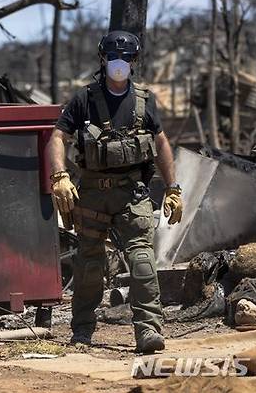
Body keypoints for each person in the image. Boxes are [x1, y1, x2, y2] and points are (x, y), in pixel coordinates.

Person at [47, 30, 183, 354]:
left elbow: (161, 142)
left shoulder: (145, 101)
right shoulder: (84, 99)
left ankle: (149, 330)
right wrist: (59, 176)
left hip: (131, 193)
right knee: (89, 264)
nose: (118, 64)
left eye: (125, 58)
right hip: (92, 194)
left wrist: (173, 188)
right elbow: (56, 138)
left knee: (142, 261)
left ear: (134, 62)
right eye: (113, 58)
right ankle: (81, 329)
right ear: (102, 60)